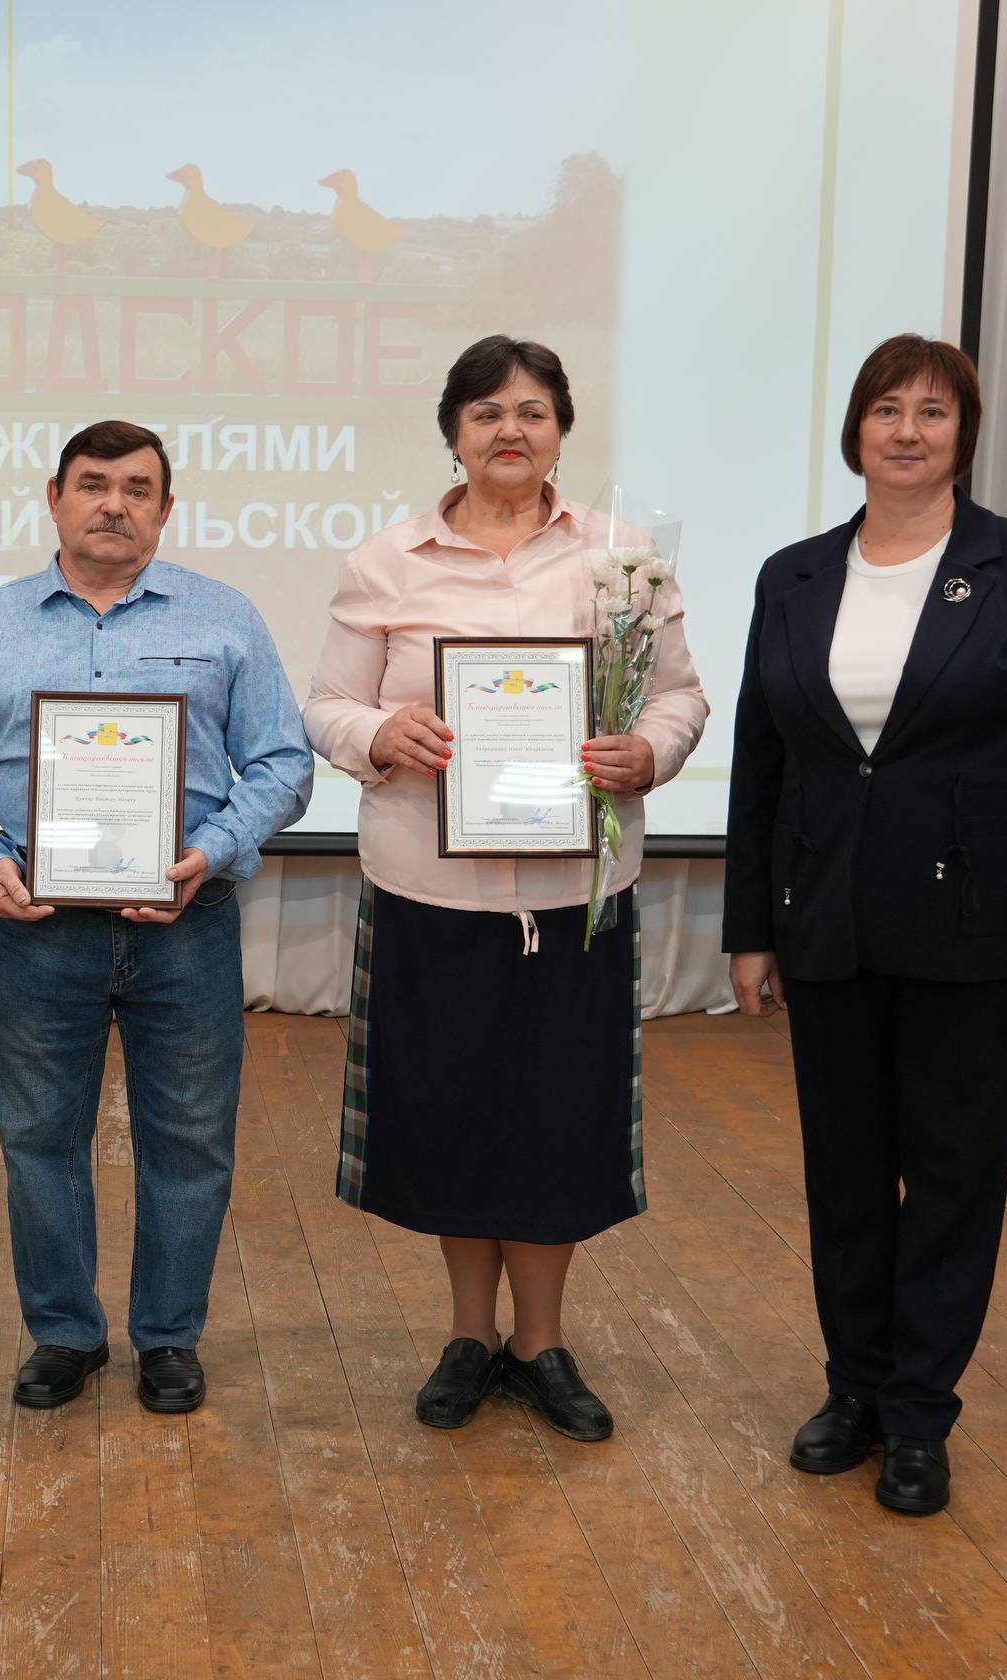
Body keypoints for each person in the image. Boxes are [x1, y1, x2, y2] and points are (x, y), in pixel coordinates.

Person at [724, 333, 1007, 1515]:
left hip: (973, 931)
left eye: (931, 413)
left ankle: (919, 1412)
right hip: (824, 922)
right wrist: (751, 927)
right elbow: (761, 763)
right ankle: (851, 1387)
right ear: (853, 432)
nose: (905, 430)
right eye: (884, 409)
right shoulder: (792, 574)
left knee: (949, 1176)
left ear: (962, 436)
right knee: (842, 1174)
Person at [303, 334, 710, 1440]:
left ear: (561, 430)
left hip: (575, 895)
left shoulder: (622, 558)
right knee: (450, 1121)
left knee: (554, 1123)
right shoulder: (388, 559)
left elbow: (678, 701)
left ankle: (541, 1342)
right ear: (453, 431)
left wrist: (649, 753)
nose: (509, 431)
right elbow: (325, 708)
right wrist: (380, 728)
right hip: (429, 891)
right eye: (486, 412)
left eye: (531, 411)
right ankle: (467, 1334)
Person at [0, 420, 312, 1414]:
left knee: (188, 1140)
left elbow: (282, 763)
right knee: (37, 1138)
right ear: (52, 496)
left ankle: (169, 1335)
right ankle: (63, 1332)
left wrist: (208, 852)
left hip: (187, 920)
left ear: (165, 510)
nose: (114, 504)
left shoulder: (225, 617)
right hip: (38, 924)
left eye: (138, 488)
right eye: (93, 484)